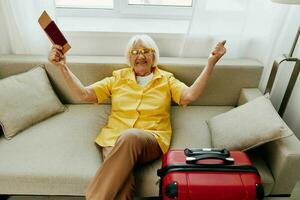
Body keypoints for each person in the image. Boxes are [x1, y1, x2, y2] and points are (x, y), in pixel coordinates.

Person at [48, 34, 226, 200]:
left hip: (150, 139)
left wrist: (211, 62)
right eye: (135, 52)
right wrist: (62, 67)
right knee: (123, 186)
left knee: (130, 135)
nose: (140, 55)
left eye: (145, 51)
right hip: (114, 141)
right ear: (129, 57)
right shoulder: (117, 78)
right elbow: (84, 94)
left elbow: (189, 95)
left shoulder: (166, 79)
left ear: (153, 56)